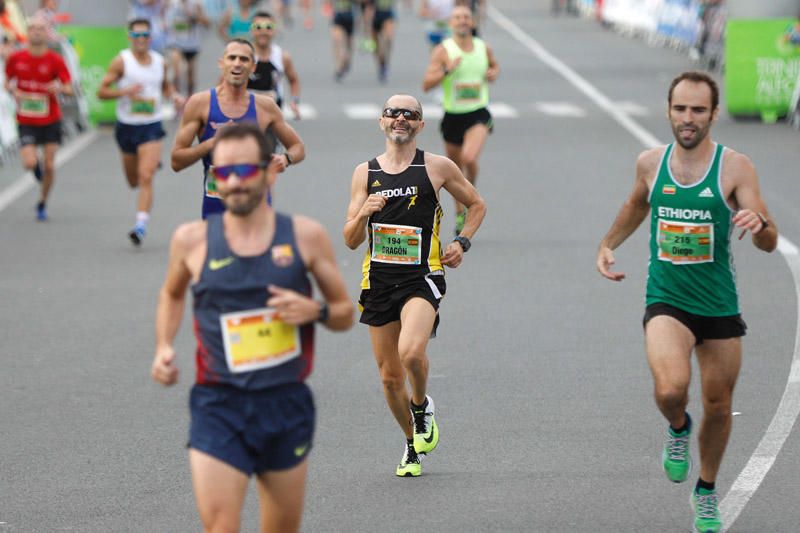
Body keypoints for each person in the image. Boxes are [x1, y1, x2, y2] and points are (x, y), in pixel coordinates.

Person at [596, 71, 778, 533]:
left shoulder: (735, 167)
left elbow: (769, 240)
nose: (688, 118)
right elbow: (638, 203)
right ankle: (678, 427)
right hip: (667, 300)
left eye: (698, 110)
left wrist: (760, 225)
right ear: (669, 111)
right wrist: (608, 242)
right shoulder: (650, 163)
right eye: (680, 109)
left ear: (714, 114)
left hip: (718, 304)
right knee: (671, 388)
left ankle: (707, 489)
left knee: (718, 404)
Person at [152, 122, 354, 532]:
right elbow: (172, 293)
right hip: (218, 404)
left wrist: (313, 311)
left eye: (244, 171)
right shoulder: (192, 241)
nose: (233, 183)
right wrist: (163, 346)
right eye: (222, 173)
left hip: (284, 404)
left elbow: (345, 312)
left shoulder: (305, 237)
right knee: (221, 526)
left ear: (268, 170)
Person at [343, 94, 486, 476]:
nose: (401, 118)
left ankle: (421, 406)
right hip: (377, 280)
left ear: (421, 125)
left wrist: (462, 241)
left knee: (410, 352)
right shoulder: (364, 173)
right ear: (382, 121)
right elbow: (350, 239)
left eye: (411, 114)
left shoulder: (436, 167)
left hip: (422, 275)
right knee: (390, 378)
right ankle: (411, 443)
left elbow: (477, 205)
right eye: (393, 112)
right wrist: (364, 213)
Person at [171, 38, 304, 218]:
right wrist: (210, 144)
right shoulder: (200, 103)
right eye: (232, 58)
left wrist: (285, 159)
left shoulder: (265, 106)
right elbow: (176, 161)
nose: (237, 64)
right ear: (221, 63)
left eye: (244, 59)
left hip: (256, 202)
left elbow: (298, 148)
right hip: (216, 205)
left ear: (253, 67)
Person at [97, 18, 183, 245]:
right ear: (130, 37)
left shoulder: (159, 62)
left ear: (151, 38)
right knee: (133, 180)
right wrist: (124, 92)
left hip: (152, 126)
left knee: (146, 176)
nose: (141, 40)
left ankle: (140, 225)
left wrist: (173, 97)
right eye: (136, 36)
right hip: (127, 127)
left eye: (145, 35)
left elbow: (165, 86)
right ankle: (149, 162)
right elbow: (101, 92)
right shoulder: (121, 62)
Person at [422, 4, 498, 235]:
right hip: (453, 115)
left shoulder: (483, 48)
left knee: (468, 157)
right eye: (458, 17)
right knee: (454, 170)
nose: (463, 20)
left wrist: (493, 72)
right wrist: (447, 70)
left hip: (478, 112)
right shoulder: (443, 51)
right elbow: (426, 84)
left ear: (472, 22)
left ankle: (470, 195)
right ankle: (459, 211)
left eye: (466, 17)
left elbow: (494, 66)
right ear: (451, 23)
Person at [3, 15, 71, 221]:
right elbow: (7, 83)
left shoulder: (55, 60)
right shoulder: (16, 58)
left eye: (41, 29)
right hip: (26, 120)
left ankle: (42, 202)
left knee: (50, 165)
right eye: (33, 29)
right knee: (29, 162)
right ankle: (37, 169)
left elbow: (69, 88)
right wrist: (14, 91)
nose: (37, 32)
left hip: (50, 119)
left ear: (46, 33)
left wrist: (58, 87)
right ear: (27, 32)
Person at [248, 10, 302, 119]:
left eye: (268, 27)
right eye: (258, 27)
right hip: (246, 112)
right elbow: (223, 83)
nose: (263, 32)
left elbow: (293, 80)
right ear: (252, 30)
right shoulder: (243, 54)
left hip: (272, 114)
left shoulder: (282, 57)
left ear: (274, 30)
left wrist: (294, 102)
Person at [164, 0, 210, 96]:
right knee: (177, 71)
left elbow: (206, 23)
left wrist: (195, 17)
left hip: (192, 44)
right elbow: (165, 23)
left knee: (190, 75)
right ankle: (176, 97)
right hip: (176, 43)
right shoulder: (171, 3)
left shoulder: (197, 4)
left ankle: (190, 98)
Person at [326, 0, 355, 81]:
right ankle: (339, 67)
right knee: (336, 40)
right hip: (338, 16)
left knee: (349, 44)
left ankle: (347, 60)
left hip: (350, 17)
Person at [370, 0, 394, 83]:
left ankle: (385, 63)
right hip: (373, 15)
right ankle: (381, 64)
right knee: (375, 45)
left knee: (387, 39)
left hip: (387, 14)